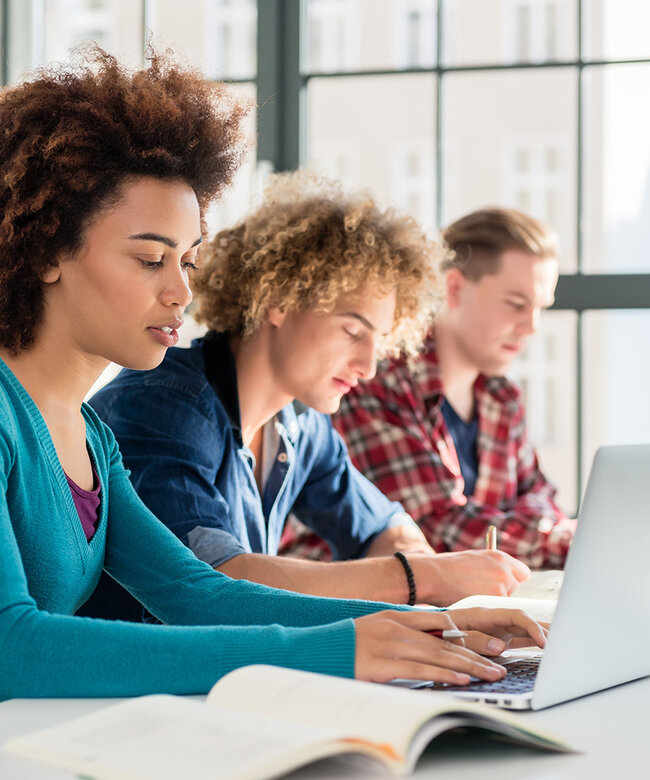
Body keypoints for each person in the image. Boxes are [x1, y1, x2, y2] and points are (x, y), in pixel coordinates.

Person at [0, 49, 547, 701]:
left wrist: (429, 626)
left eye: (188, 261)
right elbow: (14, 647)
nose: (181, 291)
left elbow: (198, 594)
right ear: (45, 250)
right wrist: (338, 649)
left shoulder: (93, 437)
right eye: (150, 260)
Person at [89, 170, 530, 616]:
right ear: (280, 299)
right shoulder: (161, 406)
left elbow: (384, 526)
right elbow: (216, 584)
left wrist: (421, 567)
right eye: (352, 330)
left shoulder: (300, 424)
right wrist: (425, 579)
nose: (369, 366)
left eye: (380, 339)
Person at [330, 207, 576, 570]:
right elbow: (434, 529)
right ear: (454, 288)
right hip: (364, 614)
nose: (531, 326)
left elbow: (538, 495)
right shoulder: (377, 381)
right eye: (516, 304)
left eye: (540, 308)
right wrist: (562, 540)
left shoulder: (501, 398)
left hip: (475, 611)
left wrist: (552, 531)